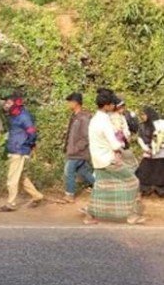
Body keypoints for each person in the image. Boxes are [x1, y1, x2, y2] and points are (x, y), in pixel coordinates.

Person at [83, 91, 145, 225]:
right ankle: (132, 215)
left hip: (98, 159)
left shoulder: (94, 119)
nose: (113, 105)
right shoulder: (105, 121)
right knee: (133, 182)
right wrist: (122, 143)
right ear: (106, 105)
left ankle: (89, 215)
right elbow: (114, 143)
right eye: (111, 103)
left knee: (101, 187)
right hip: (109, 159)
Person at [0, 92, 44, 212]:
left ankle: (11, 203)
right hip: (16, 148)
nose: (6, 105)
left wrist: (28, 145)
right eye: (6, 102)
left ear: (16, 103)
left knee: (12, 178)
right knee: (21, 177)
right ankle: (37, 196)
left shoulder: (23, 116)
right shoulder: (14, 115)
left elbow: (32, 132)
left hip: (19, 150)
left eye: (9, 102)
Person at [62, 92, 95, 203]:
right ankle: (102, 187)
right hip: (75, 151)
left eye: (70, 102)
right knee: (84, 172)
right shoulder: (75, 116)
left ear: (76, 103)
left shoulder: (84, 118)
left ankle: (69, 195)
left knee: (69, 170)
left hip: (78, 152)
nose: (68, 104)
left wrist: (76, 149)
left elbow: (86, 137)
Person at [135, 107, 164, 197]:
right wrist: (146, 148)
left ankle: (160, 189)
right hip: (148, 151)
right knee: (144, 171)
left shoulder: (160, 125)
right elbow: (139, 138)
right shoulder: (142, 125)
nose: (143, 117)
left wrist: (158, 147)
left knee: (159, 171)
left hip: (160, 152)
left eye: (144, 114)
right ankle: (145, 189)